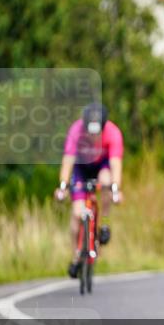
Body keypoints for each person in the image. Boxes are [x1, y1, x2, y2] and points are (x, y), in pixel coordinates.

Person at [54, 103, 124, 278]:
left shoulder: (113, 133)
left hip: (102, 166)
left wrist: (116, 190)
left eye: (97, 132)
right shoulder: (76, 131)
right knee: (77, 214)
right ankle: (76, 256)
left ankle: (104, 223)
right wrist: (63, 187)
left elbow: (115, 164)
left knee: (107, 181)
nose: (93, 136)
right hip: (81, 168)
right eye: (90, 132)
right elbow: (68, 161)